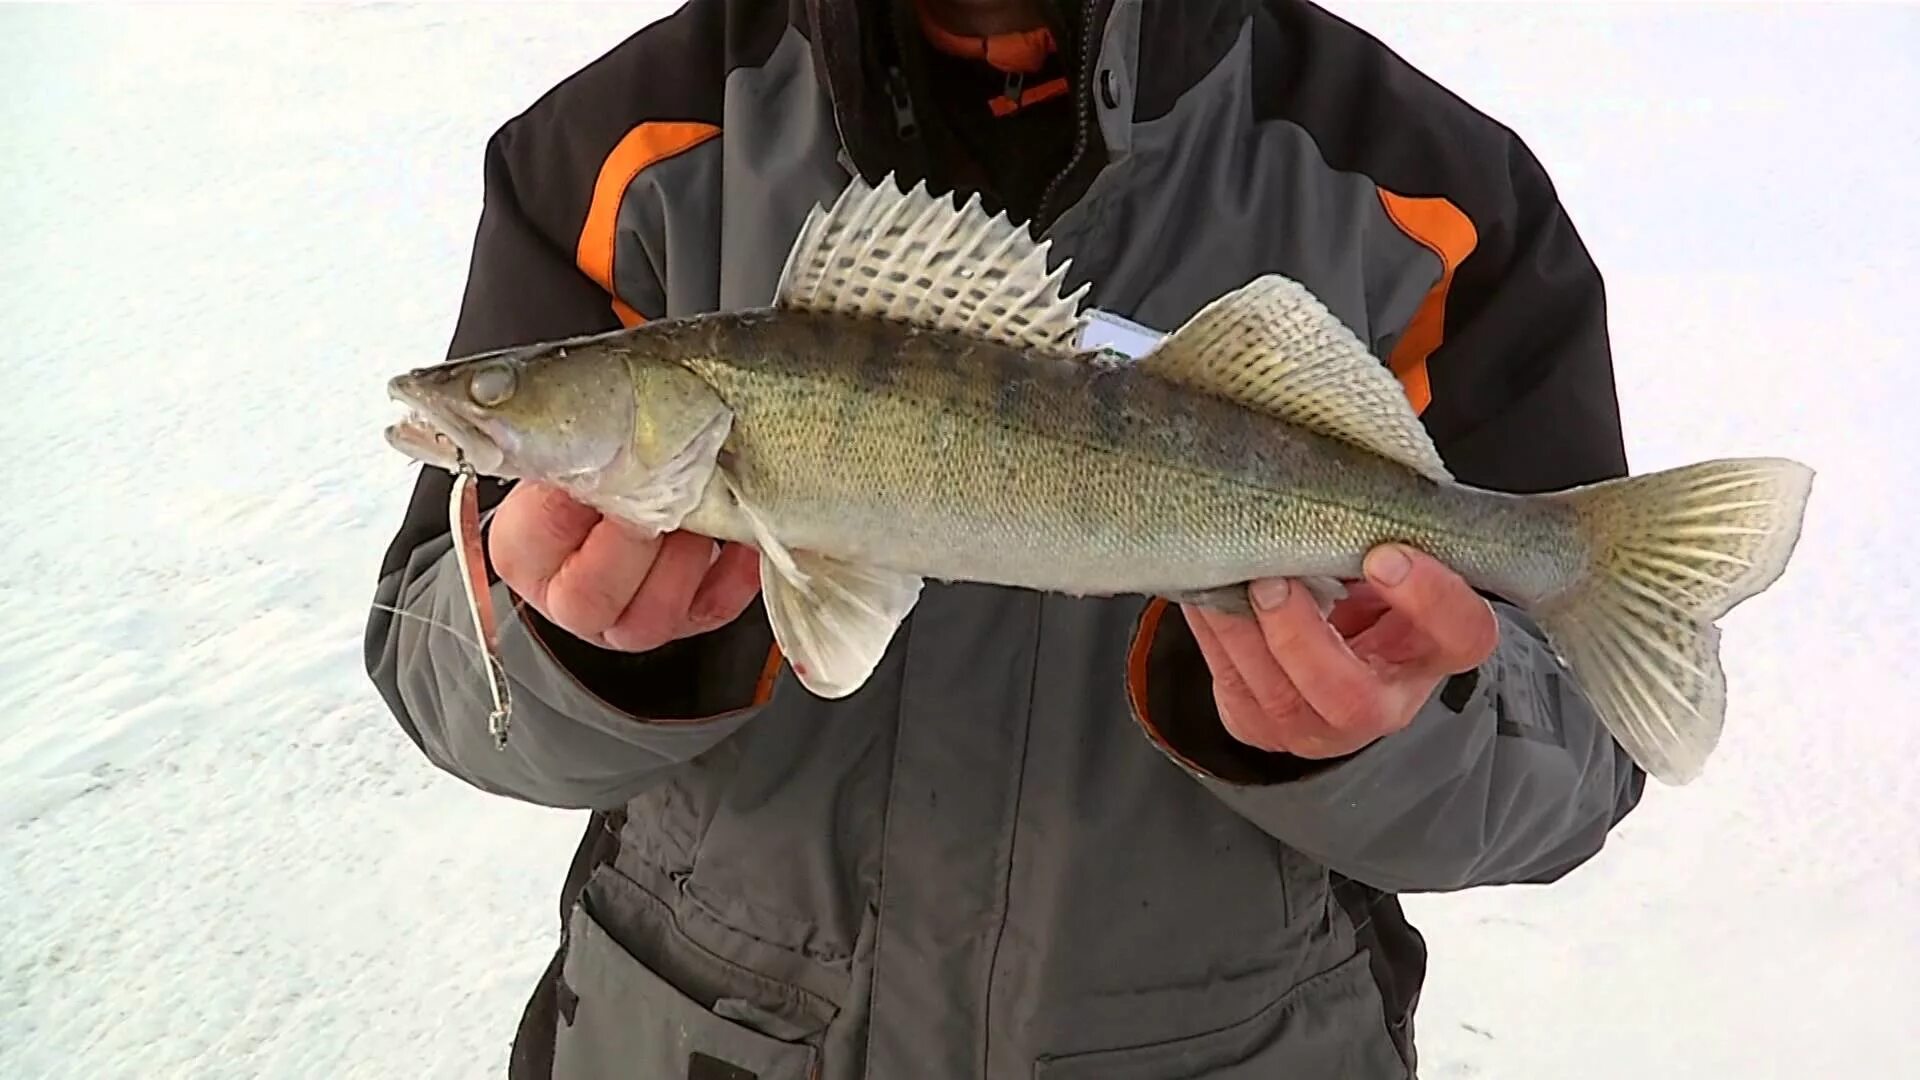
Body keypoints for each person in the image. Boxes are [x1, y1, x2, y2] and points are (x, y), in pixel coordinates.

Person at [364, 1, 1645, 1076]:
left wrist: (1395, 729)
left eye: (501, 392)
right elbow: (433, 666)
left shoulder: (1429, 196)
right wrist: (579, 653)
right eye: (500, 393)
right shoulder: (618, 155)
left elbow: (1588, 755)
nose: (484, 405)